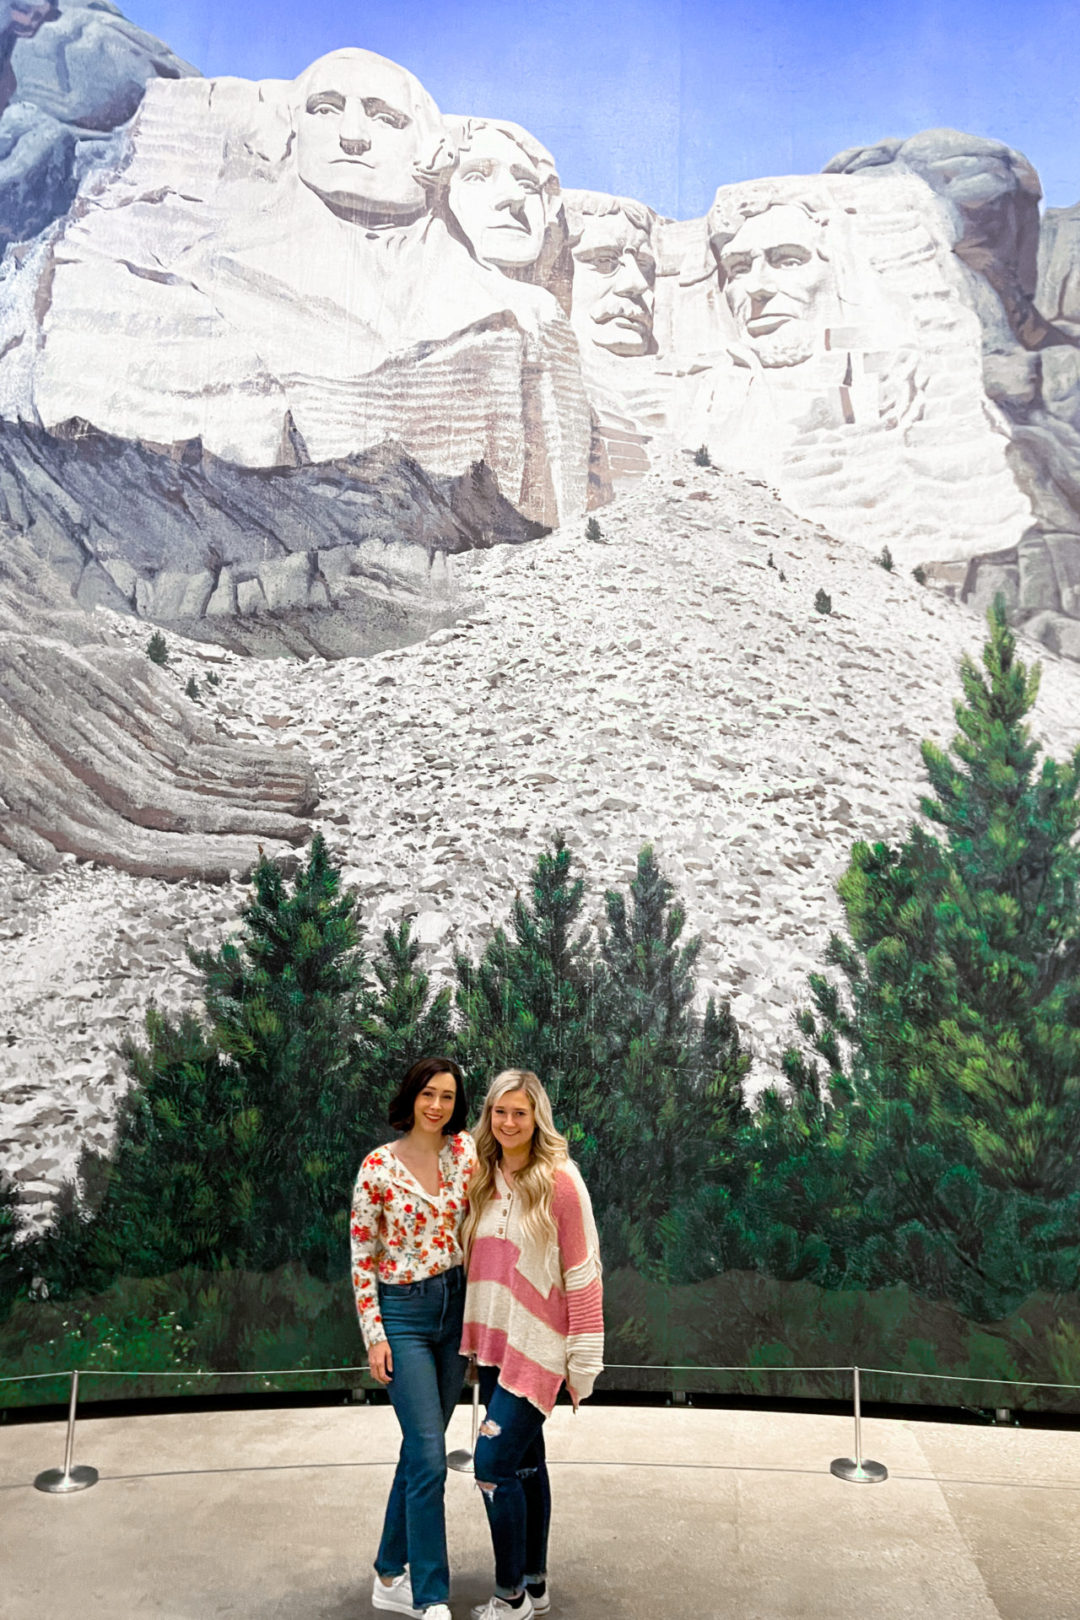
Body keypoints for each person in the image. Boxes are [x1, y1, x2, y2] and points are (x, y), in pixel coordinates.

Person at [460, 1069, 604, 1620]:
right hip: (496, 1347)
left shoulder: (560, 1180)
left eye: (520, 1112)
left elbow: (582, 1271)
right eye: (500, 1111)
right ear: (489, 1116)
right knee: (525, 1467)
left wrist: (583, 1358)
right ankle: (535, 1584)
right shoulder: (482, 1174)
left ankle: (509, 1597)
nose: (509, 1122)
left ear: (537, 1116)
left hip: (539, 1349)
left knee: (491, 1465)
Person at [350, 1056, 478, 1620]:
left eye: (448, 1097)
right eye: (429, 1094)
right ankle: (430, 1597)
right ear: (411, 1097)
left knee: (418, 1452)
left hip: (456, 1310)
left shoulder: (466, 1154)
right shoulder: (377, 1168)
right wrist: (374, 1334)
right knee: (429, 1458)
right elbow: (361, 1257)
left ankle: (387, 1571)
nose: (437, 1106)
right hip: (402, 1314)